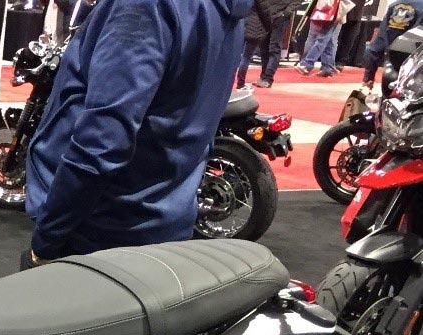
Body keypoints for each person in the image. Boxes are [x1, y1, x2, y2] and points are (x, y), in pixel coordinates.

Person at [25, 0, 250, 263]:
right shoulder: (223, 11)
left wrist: (47, 239)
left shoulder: (146, 6)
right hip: (165, 219)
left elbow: (103, 141)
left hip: (97, 230)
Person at [363, 0, 420, 87]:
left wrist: (369, 76)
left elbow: (377, 45)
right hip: (413, 58)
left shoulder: (394, 5)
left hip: (392, 59)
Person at [298, 0, 355, 76]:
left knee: (322, 39)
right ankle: (327, 69)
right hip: (331, 11)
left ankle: (307, 64)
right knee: (329, 41)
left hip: (330, 11)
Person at [239, 0, 286, 87]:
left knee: (241, 57)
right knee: (246, 57)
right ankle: (240, 84)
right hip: (255, 27)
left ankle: (237, 83)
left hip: (243, 24)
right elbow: (265, 10)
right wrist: (271, 22)